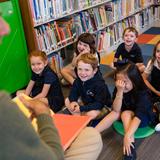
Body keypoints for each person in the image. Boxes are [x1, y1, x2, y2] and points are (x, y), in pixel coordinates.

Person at [95, 63, 156, 160]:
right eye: (118, 81)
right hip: (127, 111)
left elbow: (139, 116)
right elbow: (115, 109)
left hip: (142, 118)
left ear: (134, 80)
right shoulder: (120, 87)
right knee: (116, 112)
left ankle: (130, 148)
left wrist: (127, 136)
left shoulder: (143, 93)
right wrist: (119, 92)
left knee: (125, 113)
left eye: (125, 82)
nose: (121, 85)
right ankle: (93, 132)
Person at [65, 53, 111, 120]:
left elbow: (99, 104)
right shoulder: (78, 80)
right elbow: (73, 92)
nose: (83, 73)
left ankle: (81, 118)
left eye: (87, 70)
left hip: (102, 106)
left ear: (94, 71)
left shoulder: (100, 84)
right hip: (86, 102)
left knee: (91, 114)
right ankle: (79, 118)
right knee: (67, 101)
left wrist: (81, 108)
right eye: (80, 69)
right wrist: (73, 101)